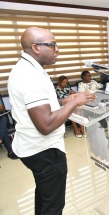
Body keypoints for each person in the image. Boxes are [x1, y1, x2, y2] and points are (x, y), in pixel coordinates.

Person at [8, 27, 95, 214]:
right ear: (36, 47)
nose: (58, 49)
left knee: (44, 196)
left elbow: (37, 105)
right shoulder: (29, 76)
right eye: (53, 45)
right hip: (43, 150)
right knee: (53, 206)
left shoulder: (30, 68)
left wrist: (63, 101)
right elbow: (45, 125)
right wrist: (75, 103)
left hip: (33, 147)